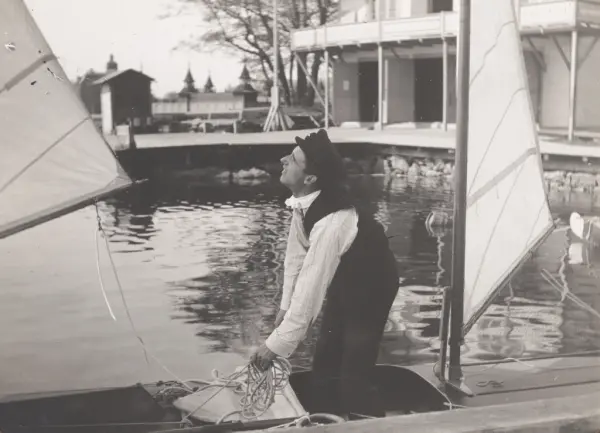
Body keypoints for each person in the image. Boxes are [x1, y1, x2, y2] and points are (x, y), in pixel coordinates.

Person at [250, 129, 399, 419]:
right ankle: (327, 420)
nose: (283, 160)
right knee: (325, 363)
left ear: (310, 179)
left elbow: (311, 287)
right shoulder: (304, 202)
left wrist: (274, 346)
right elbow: (295, 259)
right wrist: (284, 308)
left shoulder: (334, 221)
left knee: (353, 373)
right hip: (345, 281)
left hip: (373, 288)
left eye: (293, 159)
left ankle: (368, 422)